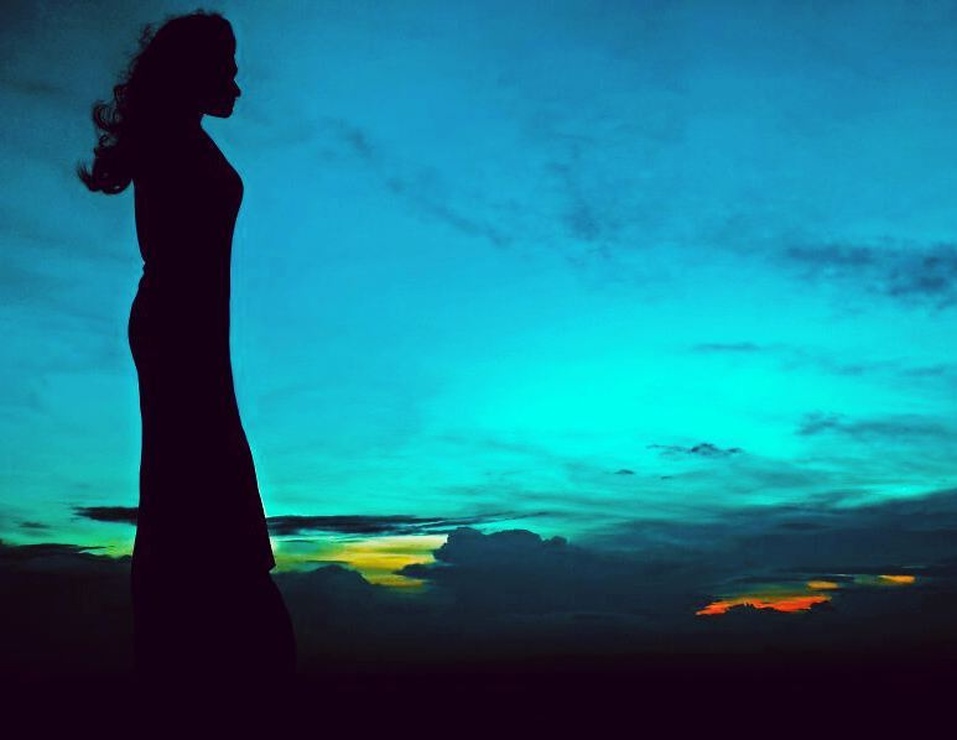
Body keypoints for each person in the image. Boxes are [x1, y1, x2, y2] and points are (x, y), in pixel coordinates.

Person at [79, 11, 296, 691]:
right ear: (193, 72)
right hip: (178, 326)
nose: (237, 82)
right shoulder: (171, 137)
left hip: (188, 326)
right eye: (226, 67)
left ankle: (187, 644)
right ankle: (187, 653)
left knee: (192, 482)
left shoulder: (179, 133)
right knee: (194, 483)